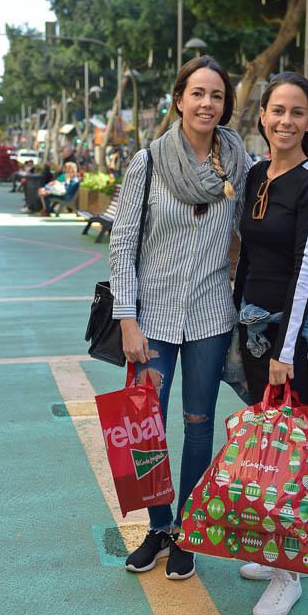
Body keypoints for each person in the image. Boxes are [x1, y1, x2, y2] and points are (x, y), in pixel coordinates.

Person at [109, 55, 252, 580]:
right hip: (152, 322)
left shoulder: (239, 165)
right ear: (178, 99)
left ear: (225, 105)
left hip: (212, 318)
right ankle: (158, 527)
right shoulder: (148, 162)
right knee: (145, 428)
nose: (206, 104)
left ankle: (186, 533)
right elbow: (123, 243)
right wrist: (128, 317)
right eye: (197, 93)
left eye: (216, 96)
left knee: (197, 425)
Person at [233, 72, 308, 615]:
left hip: (295, 335)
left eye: (297, 112)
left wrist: (284, 349)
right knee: (269, 442)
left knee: (294, 449)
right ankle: (275, 555)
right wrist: (243, 328)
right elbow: (249, 258)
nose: (285, 121)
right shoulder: (257, 174)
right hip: (255, 326)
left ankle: (290, 573)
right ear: (262, 115)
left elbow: (305, 265)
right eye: (277, 110)